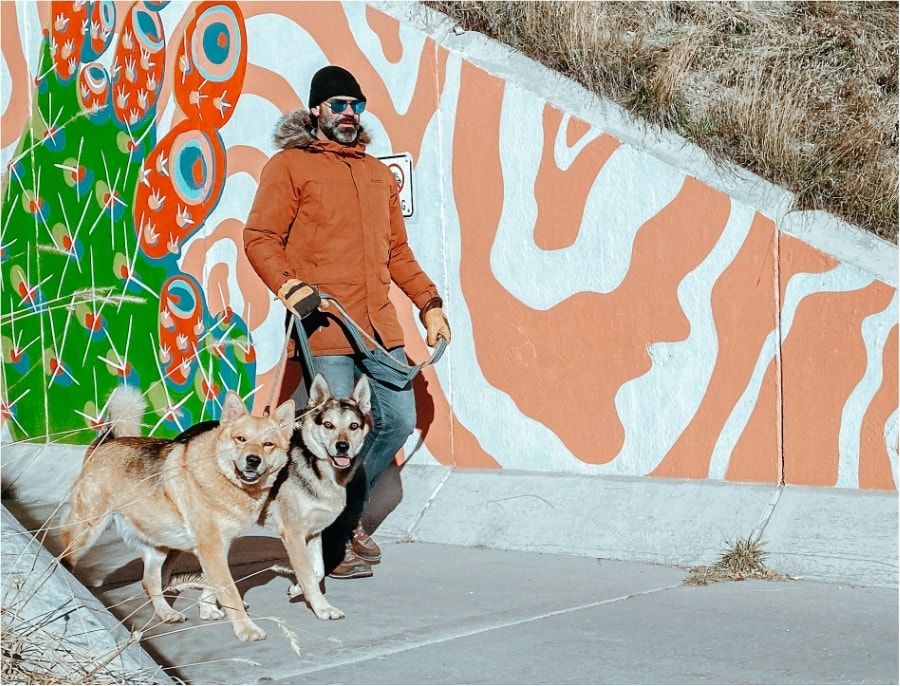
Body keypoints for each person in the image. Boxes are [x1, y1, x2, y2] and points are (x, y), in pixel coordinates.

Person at [243, 65, 450, 579]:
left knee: (398, 419)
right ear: (317, 111)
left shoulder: (379, 176)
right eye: (338, 105)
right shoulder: (289, 166)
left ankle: (347, 511)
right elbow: (260, 236)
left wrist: (429, 304)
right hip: (325, 322)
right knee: (330, 429)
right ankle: (333, 543)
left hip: (378, 324)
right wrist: (291, 287)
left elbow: (397, 252)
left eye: (355, 105)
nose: (349, 114)